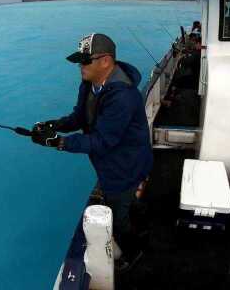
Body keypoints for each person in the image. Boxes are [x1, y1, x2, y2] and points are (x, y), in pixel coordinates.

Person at [31, 33, 153, 271]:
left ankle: (134, 251)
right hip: (111, 163)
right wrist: (54, 125)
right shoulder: (89, 84)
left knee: (118, 216)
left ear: (105, 61)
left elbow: (102, 141)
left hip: (125, 165)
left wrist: (59, 143)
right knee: (126, 202)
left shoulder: (124, 97)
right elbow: (80, 117)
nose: (80, 66)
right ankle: (141, 217)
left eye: (85, 61)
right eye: (79, 61)